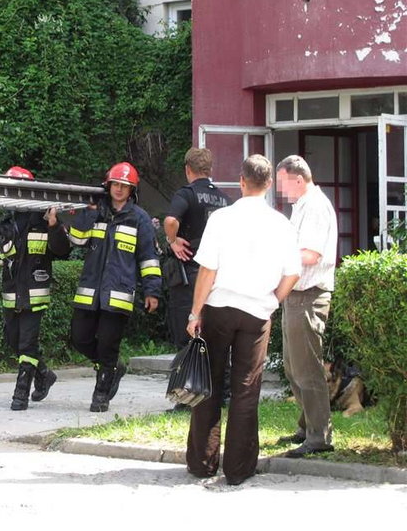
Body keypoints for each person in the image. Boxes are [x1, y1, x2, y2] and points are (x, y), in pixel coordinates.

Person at [185, 154, 300, 486]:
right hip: (257, 311)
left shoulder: (222, 218)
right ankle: (238, 468)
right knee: (246, 391)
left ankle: (203, 462)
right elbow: (293, 273)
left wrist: (196, 312)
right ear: (267, 185)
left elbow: (207, 270)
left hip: (219, 307)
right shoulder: (281, 223)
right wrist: (272, 300)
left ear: (241, 182)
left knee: (209, 386)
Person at [67, 162, 161, 412]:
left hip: (118, 294)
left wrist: (152, 291)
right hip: (90, 291)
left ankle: (101, 394)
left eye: (125, 186)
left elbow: (149, 258)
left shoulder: (139, 219)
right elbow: (77, 240)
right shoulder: (95, 212)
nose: (119, 189)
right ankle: (113, 368)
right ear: (108, 186)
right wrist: (87, 213)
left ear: (132, 190)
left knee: (108, 344)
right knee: (79, 338)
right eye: (116, 184)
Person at [0, 167, 70, 411]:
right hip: (11, 295)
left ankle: (20, 394)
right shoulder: (1, 226)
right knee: (13, 341)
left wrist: (54, 226)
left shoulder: (43, 220)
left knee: (27, 344)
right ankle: (44, 374)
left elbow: (62, 250)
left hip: (35, 294)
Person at [275, 155, 338, 458]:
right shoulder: (303, 205)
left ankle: (319, 435)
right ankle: (307, 426)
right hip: (297, 295)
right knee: (292, 365)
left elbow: (310, 254)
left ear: (298, 179)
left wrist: (277, 258)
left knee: (307, 368)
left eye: (282, 184)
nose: (280, 191)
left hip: (309, 295)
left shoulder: (314, 205)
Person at [163, 148, 231, 413]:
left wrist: (172, 240)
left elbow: (170, 220)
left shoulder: (186, 194)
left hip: (191, 274)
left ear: (188, 170)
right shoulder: (225, 199)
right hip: (219, 276)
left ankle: (187, 397)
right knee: (217, 337)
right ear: (210, 170)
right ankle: (222, 394)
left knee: (187, 334)